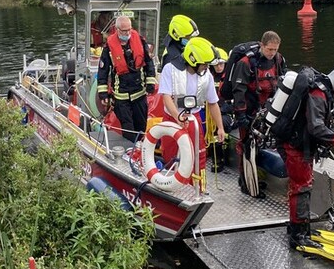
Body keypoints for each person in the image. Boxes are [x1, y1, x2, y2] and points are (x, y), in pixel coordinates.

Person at [282, 63, 334, 250]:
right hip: (297, 147)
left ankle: (299, 226)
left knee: (301, 187)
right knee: (301, 188)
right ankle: (298, 235)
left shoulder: (321, 87)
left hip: (299, 144)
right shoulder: (318, 93)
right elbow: (316, 127)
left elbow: (315, 117)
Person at [158, 37, 226, 171]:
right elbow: (166, 98)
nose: (207, 67)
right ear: (193, 60)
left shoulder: (207, 76)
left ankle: (197, 186)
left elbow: (213, 103)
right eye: (204, 64)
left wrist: (220, 127)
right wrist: (177, 117)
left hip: (194, 119)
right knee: (172, 156)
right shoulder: (170, 70)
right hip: (172, 118)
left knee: (198, 156)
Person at [97, 15, 156, 142]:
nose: (127, 33)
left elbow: (149, 62)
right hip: (121, 96)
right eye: (124, 31)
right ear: (117, 29)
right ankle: (130, 151)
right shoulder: (109, 48)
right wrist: (103, 94)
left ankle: (139, 149)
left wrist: (150, 81)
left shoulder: (139, 40)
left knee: (141, 126)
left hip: (139, 93)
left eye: (129, 29)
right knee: (128, 128)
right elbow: (103, 71)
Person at [230, 31, 286, 144]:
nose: (272, 53)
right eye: (270, 49)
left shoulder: (278, 59)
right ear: (262, 45)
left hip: (270, 107)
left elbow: (283, 81)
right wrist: (241, 115)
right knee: (246, 142)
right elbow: (238, 91)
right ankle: (243, 159)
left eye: (275, 50)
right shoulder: (246, 63)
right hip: (250, 109)